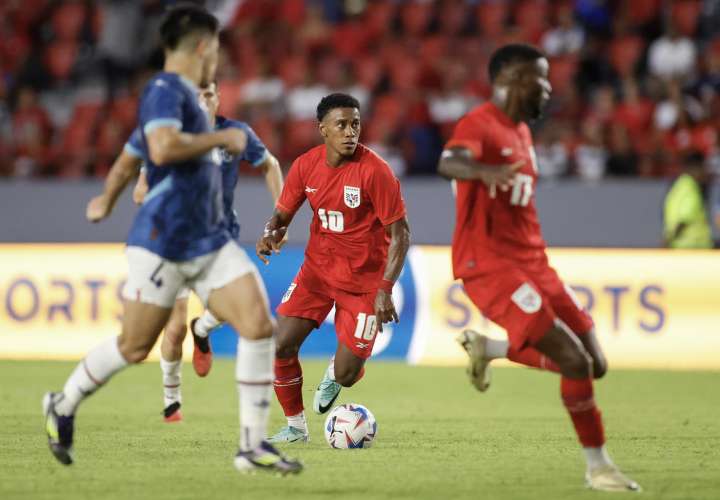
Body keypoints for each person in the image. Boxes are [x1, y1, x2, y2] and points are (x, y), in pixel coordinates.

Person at [43, 4, 301, 474]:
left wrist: (106, 197)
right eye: (217, 49)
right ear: (202, 47)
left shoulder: (189, 101)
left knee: (260, 326)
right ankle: (63, 402)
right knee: (134, 347)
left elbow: (129, 155)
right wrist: (218, 143)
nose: (218, 59)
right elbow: (159, 147)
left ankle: (251, 445)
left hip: (210, 240)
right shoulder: (165, 90)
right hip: (163, 241)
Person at [437, 44, 640, 492]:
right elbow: (448, 161)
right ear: (511, 78)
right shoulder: (479, 123)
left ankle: (489, 349)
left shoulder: (522, 132)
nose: (549, 88)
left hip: (535, 264)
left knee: (595, 362)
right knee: (572, 361)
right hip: (490, 265)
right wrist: (480, 173)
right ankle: (599, 467)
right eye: (541, 78)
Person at [85, 81, 286, 423]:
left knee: (239, 312)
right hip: (176, 244)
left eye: (209, 95)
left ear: (219, 98)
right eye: (195, 97)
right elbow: (138, 191)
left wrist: (280, 216)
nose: (203, 102)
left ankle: (203, 329)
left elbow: (270, 164)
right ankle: (171, 398)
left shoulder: (235, 133)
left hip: (218, 240)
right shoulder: (169, 140)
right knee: (173, 329)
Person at [256, 93, 411, 443]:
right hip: (318, 272)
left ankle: (335, 375)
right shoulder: (305, 166)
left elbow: (401, 234)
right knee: (281, 345)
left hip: (364, 283)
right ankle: (296, 429)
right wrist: (270, 233)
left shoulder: (376, 172)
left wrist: (385, 290)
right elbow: (282, 216)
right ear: (322, 129)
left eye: (355, 123)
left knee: (346, 373)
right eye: (341, 124)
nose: (350, 131)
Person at [663, 150, 713, 248]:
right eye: (703, 168)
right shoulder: (691, 189)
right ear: (696, 168)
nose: (705, 173)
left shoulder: (678, 186)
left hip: (680, 246)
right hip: (692, 248)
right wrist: (668, 240)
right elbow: (684, 218)